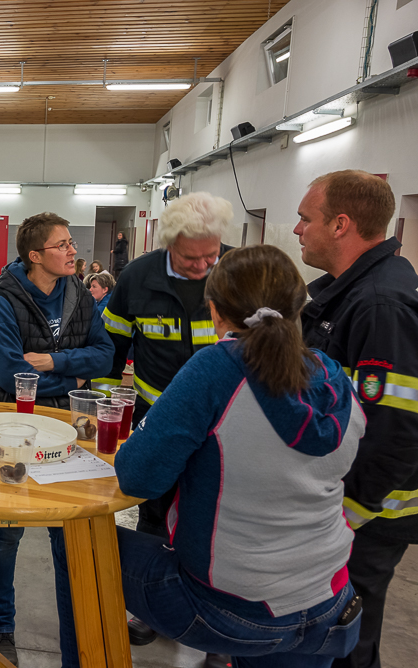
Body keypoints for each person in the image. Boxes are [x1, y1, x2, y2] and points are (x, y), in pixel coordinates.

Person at [103, 244, 364, 668]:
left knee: (76, 539)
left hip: (232, 608)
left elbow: (137, 477)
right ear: (300, 307)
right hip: (329, 602)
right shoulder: (336, 378)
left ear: (214, 311)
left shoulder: (217, 368)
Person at [101, 191, 233, 661]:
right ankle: (152, 609)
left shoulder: (237, 272)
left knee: (216, 521)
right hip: (158, 419)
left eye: (211, 256)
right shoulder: (137, 277)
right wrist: (104, 408)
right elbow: (112, 346)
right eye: (192, 258)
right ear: (169, 244)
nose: (204, 267)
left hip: (226, 427)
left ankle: (220, 626)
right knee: (153, 511)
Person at [294, 171, 418, 668]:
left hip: (369, 515)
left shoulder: (379, 305)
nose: (297, 229)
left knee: (345, 643)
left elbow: (395, 432)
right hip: (346, 505)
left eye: (306, 218)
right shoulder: (349, 294)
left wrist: (345, 516)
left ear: (340, 224)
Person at [0, 212, 115, 665]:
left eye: (71, 242)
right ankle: (1, 627)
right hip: (14, 429)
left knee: (71, 530)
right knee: (6, 535)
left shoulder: (78, 292)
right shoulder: (6, 300)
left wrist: (54, 363)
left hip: (70, 429)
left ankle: (77, 634)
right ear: (35, 256)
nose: (73, 250)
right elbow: (8, 374)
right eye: (63, 245)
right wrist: (73, 378)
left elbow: (105, 356)